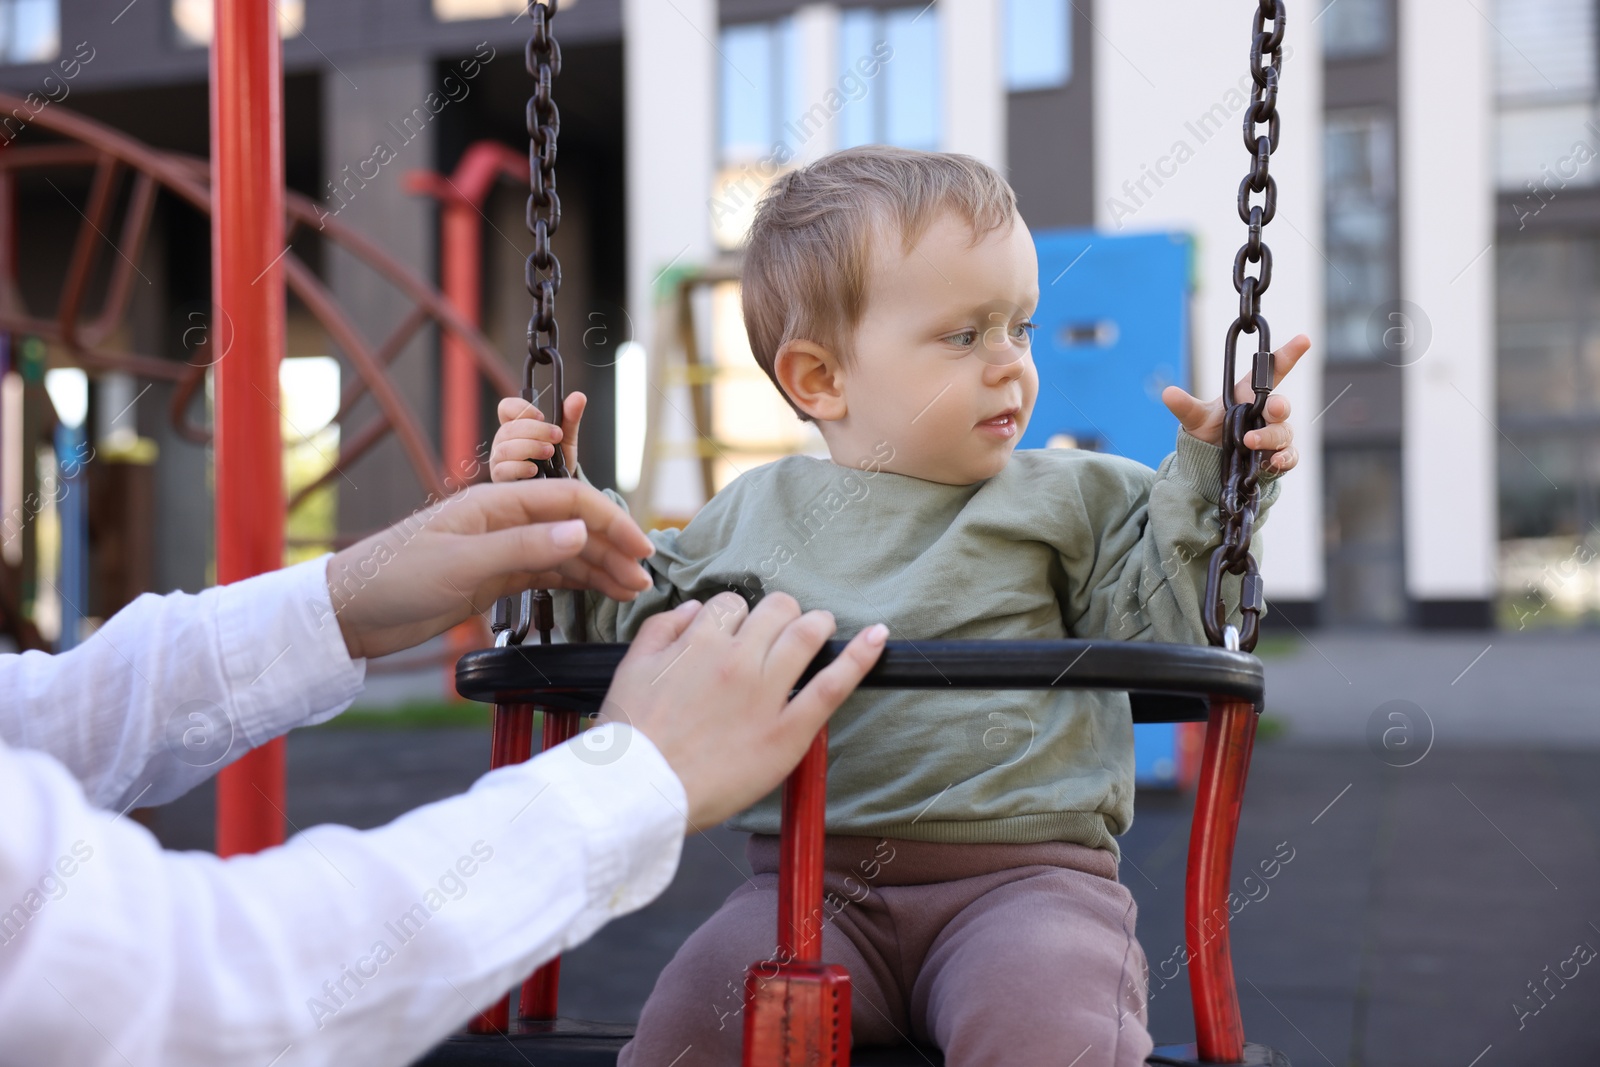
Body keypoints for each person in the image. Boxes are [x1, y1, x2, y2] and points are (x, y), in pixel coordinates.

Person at [488, 146, 1306, 1066]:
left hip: (1030, 887)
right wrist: (564, 517)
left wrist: (1212, 484)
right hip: (802, 884)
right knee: (687, 1026)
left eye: (1021, 328)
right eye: (966, 336)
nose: (1010, 366)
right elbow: (637, 624)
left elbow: (1166, 626)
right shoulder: (755, 517)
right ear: (821, 379)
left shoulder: (1079, 498)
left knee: (1047, 1034)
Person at [0, 475, 889, 1067]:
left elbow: (25, 720)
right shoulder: (757, 506)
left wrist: (338, 601)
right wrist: (630, 778)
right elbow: (180, 993)